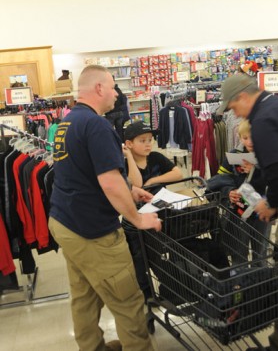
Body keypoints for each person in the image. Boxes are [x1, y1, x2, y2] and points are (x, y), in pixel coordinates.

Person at [49, 65, 161, 351]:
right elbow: (109, 182)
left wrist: (130, 189)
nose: (116, 94)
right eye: (113, 87)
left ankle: (92, 347)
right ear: (99, 89)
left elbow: (84, 170)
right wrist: (137, 219)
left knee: (84, 295)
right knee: (128, 301)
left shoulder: (68, 121)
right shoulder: (98, 125)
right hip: (93, 231)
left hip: (65, 222)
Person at [217, 73, 278, 351]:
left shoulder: (262, 120)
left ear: (242, 96)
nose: (234, 114)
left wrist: (269, 202)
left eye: (232, 107)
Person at [122, 120, 182, 302]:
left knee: (163, 252)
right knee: (141, 258)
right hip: (136, 220)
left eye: (150, 139)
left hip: (161, 212)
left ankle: (171, 289)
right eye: (142, 140)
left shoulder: (156, 157)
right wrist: (130, 158)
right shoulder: (122, 164)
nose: (148, 144)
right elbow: (136, 184)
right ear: (129, 144)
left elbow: (177, 174)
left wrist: (153, 182)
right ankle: (147, 294)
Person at [206, 119, 271, 264]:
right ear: (239, 137)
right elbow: (220, 180)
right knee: (238, 252)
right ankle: (239, 282)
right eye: (245, 137)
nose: (250, 142)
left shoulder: (270, 157)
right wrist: (229, 192)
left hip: (262, 213)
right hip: (238, 213)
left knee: (261, 253)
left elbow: (277, 184)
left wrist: (258, 171)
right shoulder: (233, 156)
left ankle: (260, 281)